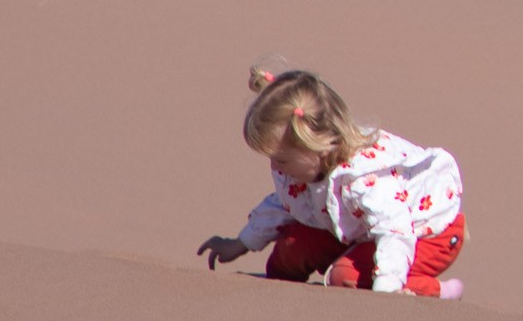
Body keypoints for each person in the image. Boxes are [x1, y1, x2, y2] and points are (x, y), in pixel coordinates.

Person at [197, 67, 468, 299]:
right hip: (359, 230)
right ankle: (280, 299)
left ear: (318, 145)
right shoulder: (299, 171)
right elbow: (283, 204)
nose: (276, 167)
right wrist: (241, 243)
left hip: (426, 234)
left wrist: (386, 290)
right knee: (292, 247)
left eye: (282, 159)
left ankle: (436, 291)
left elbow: (396, 232)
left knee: (345, 277)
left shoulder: (364, 179)